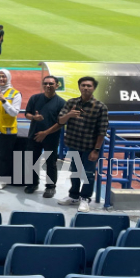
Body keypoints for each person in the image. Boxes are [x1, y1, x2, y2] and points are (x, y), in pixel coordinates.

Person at [57, 76, 109, 212]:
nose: (86, 88)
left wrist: (96, 149)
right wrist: (69, 115)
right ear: (79, 87)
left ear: (94, 88)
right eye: (83, 85)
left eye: (89, 86)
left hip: (89, 147)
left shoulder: (100, 107)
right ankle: (74, 196)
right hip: (73, 144)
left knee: (88, 174)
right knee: (74, 172)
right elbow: (61, 121)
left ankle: (85, 198)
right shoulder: (71, 103)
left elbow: (102, 130)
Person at [24, 76, 66, 198]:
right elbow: (27, 113)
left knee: (51, 162)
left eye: (51, 84)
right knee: (31, 160)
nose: (48, 86)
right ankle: (32, 184)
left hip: (51, 138)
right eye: (46, 83)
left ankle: (50, 187)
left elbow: (60, 123)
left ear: (57, 86)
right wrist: (33, 117)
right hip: (34, 136)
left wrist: (45, 133)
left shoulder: (61, 103)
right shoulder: (35, 98)